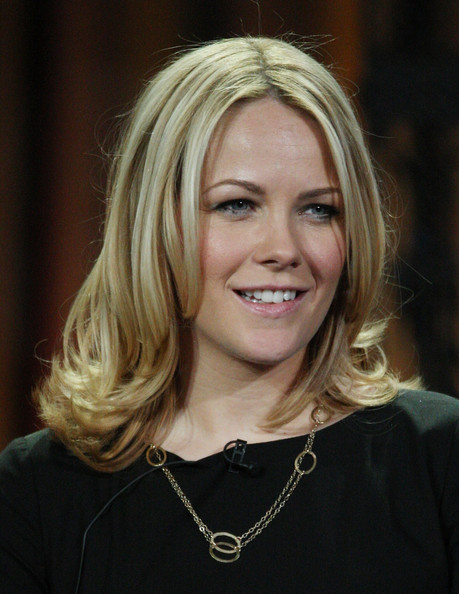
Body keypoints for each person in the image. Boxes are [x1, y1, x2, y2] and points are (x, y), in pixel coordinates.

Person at [0, 36, 458, 593]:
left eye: (319, 209)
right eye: (236, 205)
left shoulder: (438, 457)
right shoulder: (38, 490)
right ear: (155, 225)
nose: (283, 249)